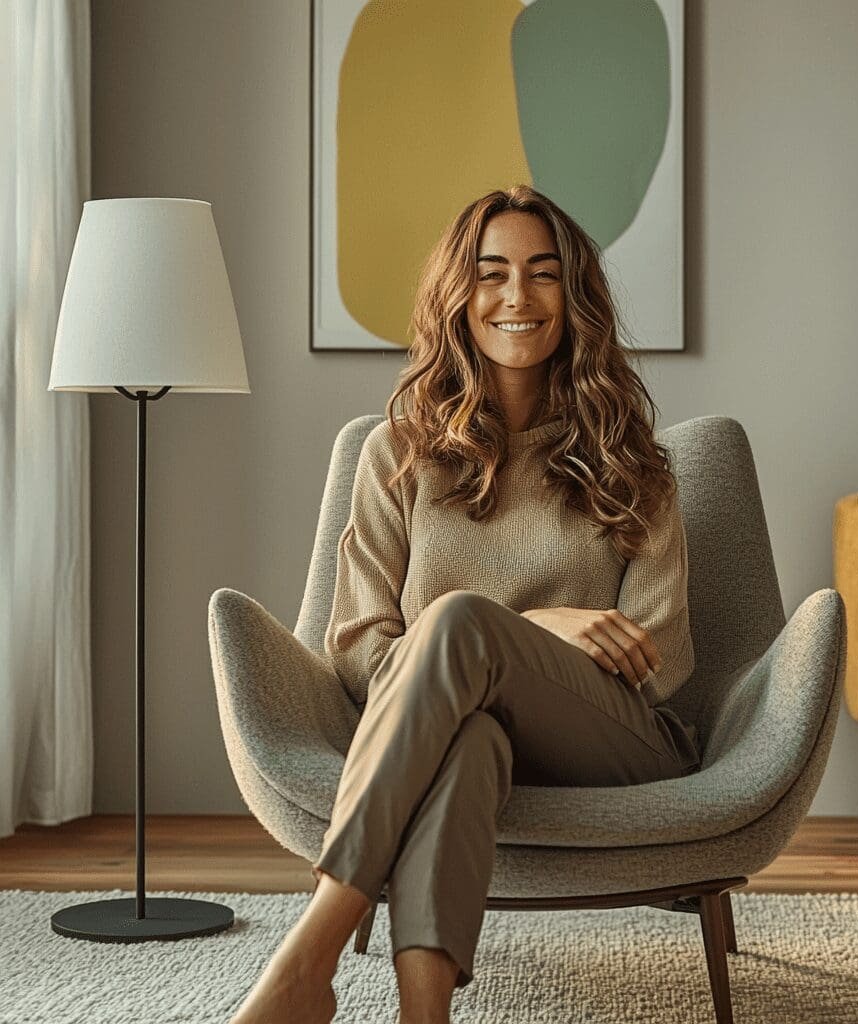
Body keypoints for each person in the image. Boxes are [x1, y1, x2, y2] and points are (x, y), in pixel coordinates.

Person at [228, 185, 701, 1024]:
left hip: (618, 738)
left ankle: (313, 951)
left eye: (543, 273)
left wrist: (507, 640)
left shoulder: (634, 458)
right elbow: (361, 652)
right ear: (459, 295)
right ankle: (426, 1016)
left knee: (454, 620)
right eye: (492, 274)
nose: (516, 297)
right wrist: (518, 640)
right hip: (451, 738)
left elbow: (658, 656)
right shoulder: (398, 455)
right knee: (472, 734)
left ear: (575, 296)